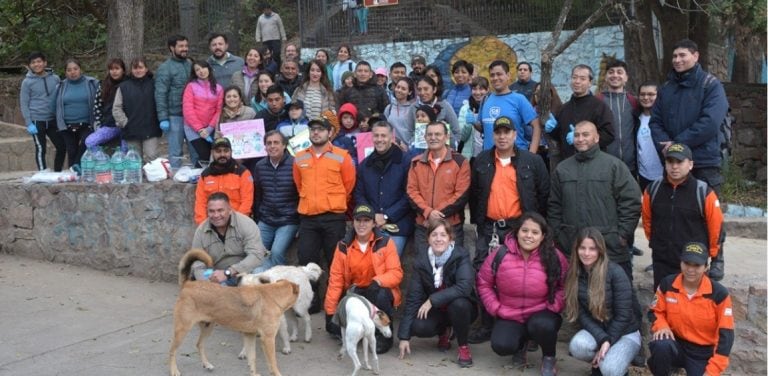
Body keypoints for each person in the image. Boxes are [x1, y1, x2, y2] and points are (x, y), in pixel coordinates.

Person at [650, 39, 729, 280]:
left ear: (696, 56)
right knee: (673, 212)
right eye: (674, 56)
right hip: (674, 160)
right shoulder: (667, 89)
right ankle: (672, 256)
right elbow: (655, 122)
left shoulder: (711, 85)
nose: (677, 60)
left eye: (683, 55)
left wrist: (677, 144)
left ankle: (716, 258)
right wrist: (668, 146)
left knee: (709, 214)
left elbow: (710, 123)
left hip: (704, 161)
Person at [467, 116, 550, 343]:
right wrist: (479, 223)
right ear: (492, 135)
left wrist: (536, 228)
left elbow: (543, 194)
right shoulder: (482, 160)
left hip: (520, 229)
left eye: (507, 132)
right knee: (483, 275)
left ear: (515, 135)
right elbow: (475, 195)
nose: (502, 137)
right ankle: (486, 325)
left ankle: (530, 330)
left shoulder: (532, 161)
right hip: (490, 228)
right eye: (498, 132)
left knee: (526, 277)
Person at [476, 212, 568, 376]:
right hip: (510, 313)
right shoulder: (501, 254)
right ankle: (521, 345)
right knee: (501, 345)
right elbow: (484, 282)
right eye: (525, 231)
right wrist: (496, 308)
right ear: (517, 232)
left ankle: (548, 357)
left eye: (535, 232)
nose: (529, 236)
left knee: (542, 326)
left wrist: (554, 305)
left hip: (542, 313)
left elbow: (566, 285)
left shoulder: (554, 256)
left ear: (543, 236)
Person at [549, 120, 641, 276]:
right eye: (576, 135)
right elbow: (554, 206)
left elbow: (631, 201)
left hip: (609, 247)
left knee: (615, 295)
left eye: (585, 134)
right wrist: (558, 235)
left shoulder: (614, 166)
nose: (580, 139)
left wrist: (622, 235)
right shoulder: (563, 169)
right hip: (572, 248)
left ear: (597, 138)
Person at [293, 117, 356, 311]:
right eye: (313, 130)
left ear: (330, 133)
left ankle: (335, 301)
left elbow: (349, 185)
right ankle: (311, 301)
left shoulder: (342, 156)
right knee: (306, 260)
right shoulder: (300, 157)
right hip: (308, 218)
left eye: (320, 130)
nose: (316, 133)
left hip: (333, 217)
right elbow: (298, 184)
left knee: (335, 262)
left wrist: (334, 203)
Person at [642, 143, 723, 289]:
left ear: (690, 164)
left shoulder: (704, 192)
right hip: (661, 261)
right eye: (670, 162)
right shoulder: (652, 189)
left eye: (679, 162)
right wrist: (656, 242)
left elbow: (716, 227)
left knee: (692, 306)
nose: (674, 166)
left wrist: (712, 256)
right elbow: (647, 221)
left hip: (692, 263)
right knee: (661, 305)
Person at [325, 204, 403, 354]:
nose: (362, 224)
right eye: (358, 220)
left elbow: (396, 273)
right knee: (335, 328)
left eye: (366, 220)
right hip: (355, 293)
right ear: (352, 222)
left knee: (381, 294)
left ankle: (384, 336)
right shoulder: (342, 246)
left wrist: (378, 281)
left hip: (378, 290)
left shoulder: (386, 242)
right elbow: (336, 280)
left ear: (374, 223)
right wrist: (330, 312)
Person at [397, 218, 476, 368]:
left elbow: (464, 287)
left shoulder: (460, 256)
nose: (438, 239)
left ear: (450, 238)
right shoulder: (421, 261)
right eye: (434, 235)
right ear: (428, 238)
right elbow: (413, 298)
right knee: (419, 326)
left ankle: (463, 346)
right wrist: (404, 337)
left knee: (459, 304)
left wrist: (432, 300)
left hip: (462, 309)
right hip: (438, 310)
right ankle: (444, 331)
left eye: (443, 235)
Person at [647, 242, 734, 376]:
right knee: (661, 345)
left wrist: (713, 371)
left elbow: (726, 336)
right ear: (680, 263)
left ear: (706, 267)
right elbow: (654, 311)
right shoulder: (667, 284)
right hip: (675, 343)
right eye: (687, 263)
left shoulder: (719, 294)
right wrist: (661, 325)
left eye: (697, 265)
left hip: (702, 353)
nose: (690, 269)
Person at [565, 228, 641, 376]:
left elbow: (624, 315)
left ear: (600, 250)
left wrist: (608, 341)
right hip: (599, 330)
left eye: (592, 249)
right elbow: (581, 314)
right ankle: (600, 363)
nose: (586, 253)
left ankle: (611, 366)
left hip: (626, 333)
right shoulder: (574, 274)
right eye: (583, 248)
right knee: (577, 347)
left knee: (610, 369)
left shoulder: (615, 272)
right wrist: (603, 339)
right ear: (576, 249)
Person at [407, 121, 470, 254]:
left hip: (451, 226)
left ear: (446, 137)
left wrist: (436, 216)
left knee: (452, 268)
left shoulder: (460, 162)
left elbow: (461, 194)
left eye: (438, 134)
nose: (433, 137)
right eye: (429, 134)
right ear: (424, 138)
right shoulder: (416, 163)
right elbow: (411, 191)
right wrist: (428, 213)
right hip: (423, 225)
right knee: (423, 268)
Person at [354, 120, 415, 257]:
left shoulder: (406, 161)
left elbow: (410, 194)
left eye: (383, 136)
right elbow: (359, 194)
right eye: (376, 136)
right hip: (371, 224)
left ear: (391, 137)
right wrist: (372, 215)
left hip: (398, 225)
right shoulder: (365, 165)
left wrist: (387, 215)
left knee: (388, 264)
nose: (379, 139)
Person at [190, 192, 268, 285]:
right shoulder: (201, 231)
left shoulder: (246, 224)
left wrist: (229, 272)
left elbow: (256, 256)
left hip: (245, 270)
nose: (216, 215)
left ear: (230, 210)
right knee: (207, 279)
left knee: (259, 272)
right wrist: (207, 282)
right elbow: (197, 263)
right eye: (211, 211)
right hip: (218, 273)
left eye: (220, 210)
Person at [252, 131, 299, 270]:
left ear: (284, 145)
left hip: (288, 220)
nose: (272, 146)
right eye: (269, 143)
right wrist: (258, 217)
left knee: (277, 252)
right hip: (266, 219)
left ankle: (279, 284)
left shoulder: (295, 164)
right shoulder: (260, 166)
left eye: (276, 142)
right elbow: (258, 194)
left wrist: (301, 222)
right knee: (256, 253)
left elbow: (301, 193)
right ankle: (262, 277)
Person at [549, 64, 614, 161]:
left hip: (593, 161)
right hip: (568, 162)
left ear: (590, 82)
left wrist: (584, 140)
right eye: (574, 77)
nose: (577, 81)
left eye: (582, 78)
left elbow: (609, 135)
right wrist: (552, 130)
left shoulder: (599, 106)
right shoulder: (564, 108)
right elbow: (560, 137)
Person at [476, 60, 541, 154]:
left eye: (499, 74)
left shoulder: (519, 99)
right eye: (492, 75)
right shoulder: (486, 100)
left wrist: (531, 155)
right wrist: (473, 123)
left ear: (508, 75)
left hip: (516, 158)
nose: (495, 78)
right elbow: (484, 128)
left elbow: (536, 125)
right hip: (490, 160)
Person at [155, 34, 196, 169]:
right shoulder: (165, 68)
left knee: (195, 148)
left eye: (186, 46)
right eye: (181, 46)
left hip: (192, 116)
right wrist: (163, 118)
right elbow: (160, 93)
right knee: (176, 151)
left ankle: (197, 176)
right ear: (172, 48)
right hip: (174, 116)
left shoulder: (191, 65)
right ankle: (176, 175)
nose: (185, 49)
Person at [51, 58, 99, 170]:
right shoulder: (61, 86)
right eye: (69, 70)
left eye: (75, 69)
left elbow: (99, 101)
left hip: (87, 123)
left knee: (86, 144)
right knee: (71, 151)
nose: (72, 72)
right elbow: (54, 105)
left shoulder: (92, 83)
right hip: (67, 125)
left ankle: (78, 169)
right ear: (65, 72)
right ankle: (73, 177)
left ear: (80, 69)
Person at [20, 51, 64, 171]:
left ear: (45, 63)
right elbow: (24, 103)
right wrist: (29, 122)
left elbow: (60, 97)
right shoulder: (27, 82)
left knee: (61, 146)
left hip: (52, 120)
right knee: (41, 148)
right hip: (36, 120)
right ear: (30, 66)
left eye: (39, 61)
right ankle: (43, 172)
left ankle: (57, 172)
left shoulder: (55, 78)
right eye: (33, 62)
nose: (36, 64)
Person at [112, 57, 162, 163]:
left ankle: (154, 178)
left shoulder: (155, 85)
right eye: (135, 68)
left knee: (152, 157)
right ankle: (136, 178)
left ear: (146, 69)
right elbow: (117, 108)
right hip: (131, 129)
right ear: (131, 70)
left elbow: (161, 103)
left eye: (140, 67)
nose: (138, 70)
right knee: (134, 160)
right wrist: (125, 123)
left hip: (151, 128)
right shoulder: (123, 87)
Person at [194, 137, 254, 224]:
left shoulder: (243, 173)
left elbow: (247, 202)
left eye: (226, 151)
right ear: (212, 153)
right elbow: (200, 203)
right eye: (218, 151)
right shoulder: (205, 175)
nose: (222, 154)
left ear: (231, 152)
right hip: (212, 223)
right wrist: (203, 225)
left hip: (237, 223)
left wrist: (237, 224)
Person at [600, 59, 639, 177]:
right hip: (604, 165)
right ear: (606, 77)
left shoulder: (634, 102)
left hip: (630, 166)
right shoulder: (597, 102)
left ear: (626, 77)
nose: (615, 75)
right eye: (611, 72)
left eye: (619, 72)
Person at [183, 60, 223, 167]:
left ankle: (203, 176)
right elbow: (188, 110)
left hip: (210, 128)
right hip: (193, 129)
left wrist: (209, 128)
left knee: (212, 155)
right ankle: (198, 177)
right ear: (194, 73)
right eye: (197, 69)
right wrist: (200, 129)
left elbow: (219, 110)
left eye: (203, 67)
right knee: (204, 154)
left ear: (209, 69)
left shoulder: (218, 88)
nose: (201, 71)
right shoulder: (191, 86)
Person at [409, 77, 460, 148]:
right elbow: (410, 131)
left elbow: (456, 131)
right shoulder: (413, 107)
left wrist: (452, 145)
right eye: (419, 89)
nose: (422, 92)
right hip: (420, 152)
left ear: (434, 89)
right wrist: (413, 144)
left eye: (426, 89)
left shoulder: (444, 106)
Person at [86, 58, 126, 148]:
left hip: (126, 126)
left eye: (117, 69)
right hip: (109, 125)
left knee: (125, 150)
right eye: (111, 69)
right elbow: (97, 106)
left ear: (123, 70)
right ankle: (102, 161)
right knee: (90, 141)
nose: (114, 72)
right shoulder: (103, 85)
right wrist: (99, 123)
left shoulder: (128, 84)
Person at [636, 82, 663, 190]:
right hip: (644, 175)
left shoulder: (665, 118)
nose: (646, 97)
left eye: (651, 94)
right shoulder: (636, 118)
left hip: (664, 173)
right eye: (642, 94)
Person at [458, 76, 489, 159]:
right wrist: (469, 124)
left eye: (481, 89)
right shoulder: (465, 108)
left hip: (488, 152)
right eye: (474, 89)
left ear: (487, 90)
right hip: (471, 155)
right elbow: (462, 137)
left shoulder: (491, 107)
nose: (478, 92)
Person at [383, 77, 415, 148]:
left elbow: (416, 131)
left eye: (403, 89)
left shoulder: (413, 109)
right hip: (391, 148)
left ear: (409, 92)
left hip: (408, 149)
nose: (399, 90)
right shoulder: (389, 108)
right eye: (398, 87)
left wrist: (409, 147)